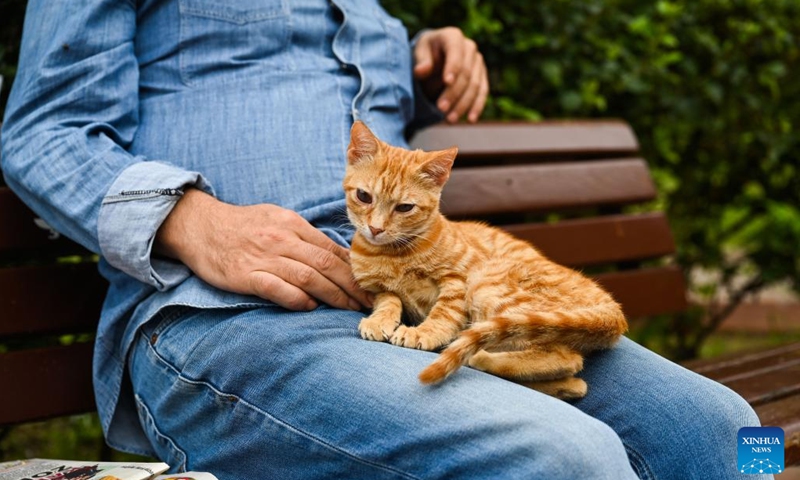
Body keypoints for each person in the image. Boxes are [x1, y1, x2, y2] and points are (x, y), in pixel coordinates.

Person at [1, 0, 767, 479]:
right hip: (234, 323)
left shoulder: (371, 13)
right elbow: (43, 132)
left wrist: (423, 65)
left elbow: (340, 120)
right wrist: (196, 222)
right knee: (565, 461)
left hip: (422, 307)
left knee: (722, 428)